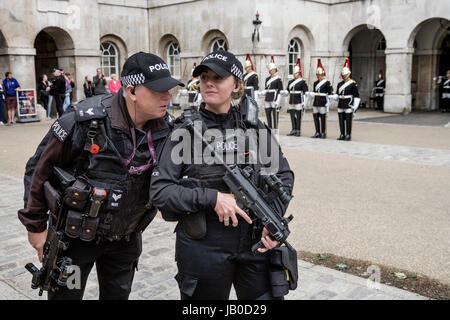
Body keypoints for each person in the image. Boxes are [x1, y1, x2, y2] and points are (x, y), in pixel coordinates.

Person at [18, 52, 184, 300]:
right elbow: (38, 169)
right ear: (131, 91)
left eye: (168, 89)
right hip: (74, 243)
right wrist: (35, 227)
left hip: (124, 240)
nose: (167, 97)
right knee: (67, 294)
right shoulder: (84, 120)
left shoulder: (167, 129)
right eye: (157, 90)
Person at [149, 50, 295, 300]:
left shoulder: (255, 128)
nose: (209, 83)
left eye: (218, 77)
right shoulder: (184, 131)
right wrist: (212, 198)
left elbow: (283, 176)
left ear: (237, 85)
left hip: (255, 245)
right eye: (204, 77)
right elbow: (161, 191)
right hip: (203, 246)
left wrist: (272, 224)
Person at [335, 59, 360, 141]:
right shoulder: (339, 84)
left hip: (348, 103)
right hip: (341, 103)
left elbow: (356, 95)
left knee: (348, 121)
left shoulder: (352, 84)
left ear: (348, 74)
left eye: (345, 74)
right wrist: (334, 97)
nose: (343, 76)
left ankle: (348, 135)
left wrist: (355, 106)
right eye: (343, 74)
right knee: (341, 120)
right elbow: (337, 94)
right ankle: (342, 134)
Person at [308, 59, 332, 139]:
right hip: (316, 101)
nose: (318, 76)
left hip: (322, 101)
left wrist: (328, 102)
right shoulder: (315, 83)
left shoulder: (327, 83)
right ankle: (317, 132)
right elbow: (315, 92)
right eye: (317, 75)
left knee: (322, 117)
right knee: (315, 117)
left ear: (323, 74)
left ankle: (323, 132)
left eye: (320, 74)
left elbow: (329, 93)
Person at [285, 59, 308, 137]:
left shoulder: (302, 82)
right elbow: (287, 90)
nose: (294, 75)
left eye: (296, 73)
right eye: (293, 73)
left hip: (298, 100)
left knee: (298, 116)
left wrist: (304, 103)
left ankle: (298, 130)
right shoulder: (290, 82)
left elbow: (305, 93)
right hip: (291, 100)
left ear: (299, 73)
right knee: (292, 115)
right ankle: (293, 129)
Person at [263, 56, 283, 129]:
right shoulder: (267, 79)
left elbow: (280, 91)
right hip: (268, 97)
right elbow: (266, 88)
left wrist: (278, 100)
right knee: (268, 113)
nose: (271, 71)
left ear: (275, 70)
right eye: (270, 70)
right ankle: (270, 127)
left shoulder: (278, 79)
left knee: (275, 114)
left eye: (273, 69)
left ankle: (275, 128)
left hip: (274, 97)